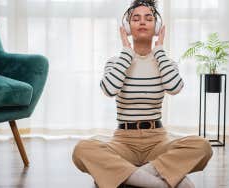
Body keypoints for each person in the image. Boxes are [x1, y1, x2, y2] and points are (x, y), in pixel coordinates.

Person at [72, 0, 213, 187]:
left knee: (202, 146)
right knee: (82, 149)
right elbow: (109, 89)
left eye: (148, 18)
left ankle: (129, 177)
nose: (142, 22)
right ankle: (157, 182)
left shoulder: (166, 62)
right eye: (135, 18)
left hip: (158, 140)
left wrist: (160, 51)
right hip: (123, 141)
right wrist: (126, 53)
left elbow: (175, 88)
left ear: (157, 26)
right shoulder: (116, 62)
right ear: (127, 27)